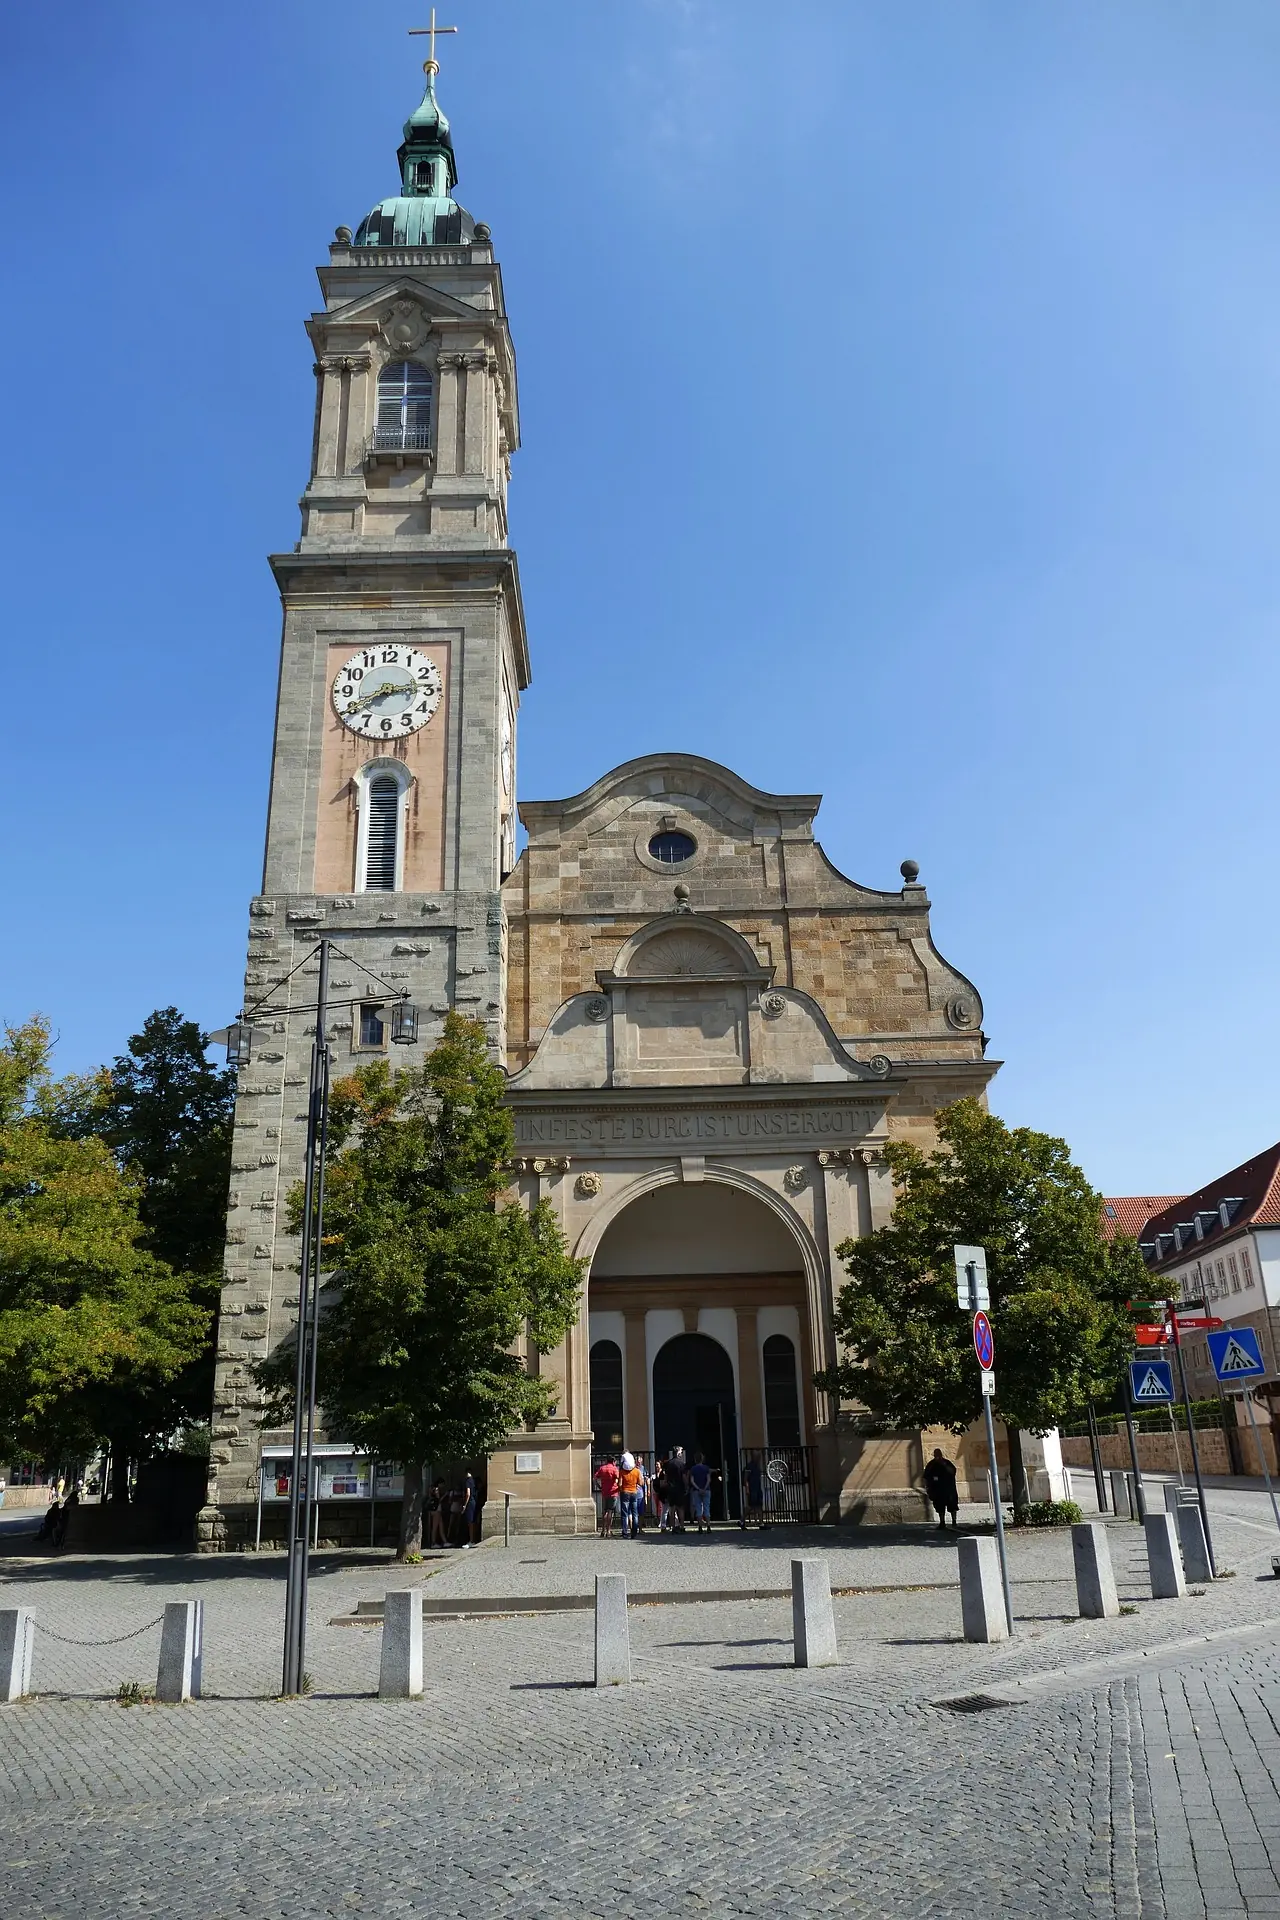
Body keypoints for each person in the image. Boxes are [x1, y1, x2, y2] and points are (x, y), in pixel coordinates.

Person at [923, 1449, 959, 1529]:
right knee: (939, 1506)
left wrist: (944, 1464)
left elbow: (953, 1471)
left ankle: (954, 1522)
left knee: (952, 1505)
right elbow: (926, 1476)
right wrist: (928, 1488)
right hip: (937, 1490)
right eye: (936, 1454)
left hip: (949, 1488)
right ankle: (942, 1522)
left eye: (938, 1454)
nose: (937, 1456)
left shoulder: (947, 1463)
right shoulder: (931, 1464)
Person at [617, 1451, 642, 1538]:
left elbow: (619, 1484)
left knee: (625, 1513)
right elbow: (641, 1483)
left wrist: (620, 1489)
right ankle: (634, 1531)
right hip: (634, 1492)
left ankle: (625, 1532)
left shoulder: (622, 1472)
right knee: (635, 1513)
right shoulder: (637, 1471)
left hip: (625, 1492)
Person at [594, 1455, 620, 1537]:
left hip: (604, 1492)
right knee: (610, 1511)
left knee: (604, 1511)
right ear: (613, 1461)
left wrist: (599, 1486)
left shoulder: (602, 1468)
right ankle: (608, 1530)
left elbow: (594, 1478)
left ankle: (603, 1530)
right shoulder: (614, 1469)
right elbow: (619, 1479)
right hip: (613, 1492)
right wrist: (619, 1487)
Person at [688, 1452, 713, 1533]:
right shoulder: (706, 1468)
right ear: (702, 1459)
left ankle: (700, 1527)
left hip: (696, 1491)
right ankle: (708, 1526)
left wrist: (698, 1488)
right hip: (706, 1490)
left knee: (698, 1508)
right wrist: (704, 1488)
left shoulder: (693, 1469)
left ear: (695, 1460)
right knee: (706, 1508)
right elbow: (708, 1479)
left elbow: (692, 1481)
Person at [741, 1454, 765, 1529]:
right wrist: (747, 1489)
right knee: (750, 1506)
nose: (759, 1459)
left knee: (759, 1505)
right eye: (757, 1457)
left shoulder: (757, 1467)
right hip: (752, 1489)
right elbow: (745, 1479)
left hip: (757, 1488)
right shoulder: (749, 1466)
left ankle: (761, 1523)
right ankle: (741, 1521)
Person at [427, 1481, 447, 1549]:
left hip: (436, 1510)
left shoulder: (431, 1493)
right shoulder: (435, 1492)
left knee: (441, 1526)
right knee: (435, 1527)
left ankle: (444, 1541)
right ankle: (433, 1542)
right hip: (436, 1511)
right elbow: (438, 1500)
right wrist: (443, 1495)